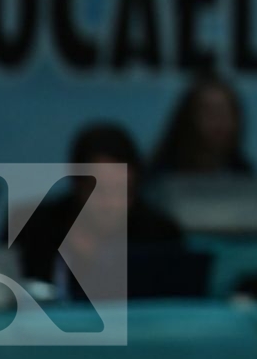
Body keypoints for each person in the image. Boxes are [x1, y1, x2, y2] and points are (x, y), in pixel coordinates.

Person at [15, 122, 183, 298]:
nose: (110, 204)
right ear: (77, 185)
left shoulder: (161, 236)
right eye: (99, 190)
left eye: (122, 191)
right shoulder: (33, 229)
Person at [149, 73, 257, 176]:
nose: (218, 122)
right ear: (189, 117)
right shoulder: (161, 175)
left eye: (225, 113)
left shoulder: (244, 176)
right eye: (210, 113)